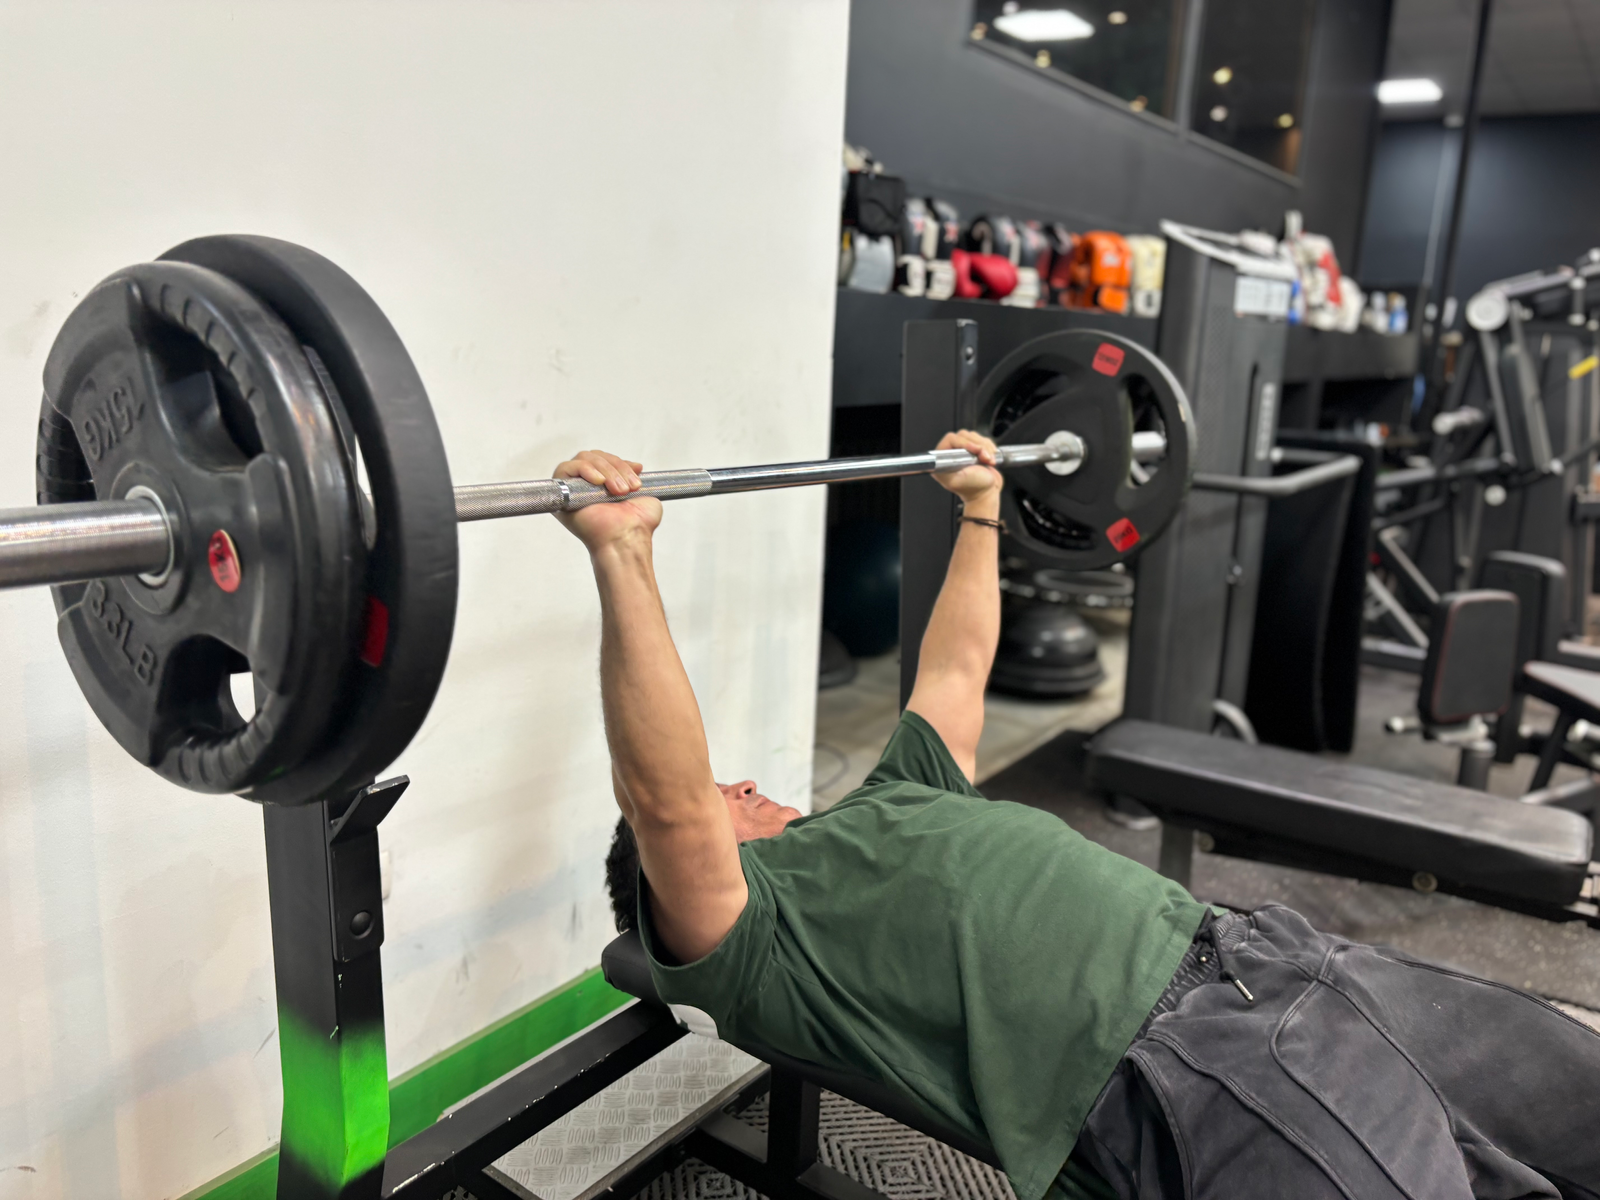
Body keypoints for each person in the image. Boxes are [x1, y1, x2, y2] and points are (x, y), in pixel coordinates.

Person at [557, 435, 1600, 1200]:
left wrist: (979, 506)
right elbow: (668, 803)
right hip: (1191, 1065)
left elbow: (957, 669)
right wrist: (623, 553)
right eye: (729, 798)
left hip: (1289, 959)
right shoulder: (759, 946)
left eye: (735, 780)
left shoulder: (899, 794)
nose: (740, 786)